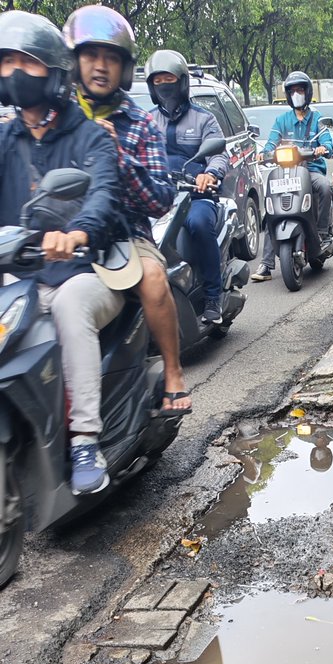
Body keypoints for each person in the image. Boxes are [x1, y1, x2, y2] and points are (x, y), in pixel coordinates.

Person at [0, 10, 122, 495]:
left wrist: (75, 233)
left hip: (88, 272)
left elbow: (102, 195)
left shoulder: (91, 136)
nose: (14, 72)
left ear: (53, 71)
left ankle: (85, 439)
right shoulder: (4, 140)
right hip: (21, 278)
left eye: (26, 62)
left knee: (70, 304)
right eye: (6, 62)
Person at [63, 7, 190, 416]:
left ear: (124, 68)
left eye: (111, 58)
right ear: (75, 62)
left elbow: (160, 199)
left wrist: (119, 155)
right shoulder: (55, 117)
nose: (100, 66)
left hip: (125, 236)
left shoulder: (139, 123)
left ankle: (173, 373)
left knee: (153, 279)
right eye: (91, 56)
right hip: (59, 234)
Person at [145, 49, 230, 324]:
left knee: (199, 225)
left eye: (168, 79)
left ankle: (213, 296)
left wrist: (210, 174)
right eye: (157, 81)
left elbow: (219, 154)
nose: (163, 85)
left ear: (181, 81)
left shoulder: (204, 118)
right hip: (160, 198)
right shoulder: (147, 121)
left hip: (196, 196)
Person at [251, 70, 333, 283]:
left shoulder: (317, 119)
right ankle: (266, 264)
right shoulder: (282, 120)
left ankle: (323, 233)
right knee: (271, 209)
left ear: (308, 92)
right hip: (285, 173)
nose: (297, 94)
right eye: (293, 91)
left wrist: (323, 148)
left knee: (325, 186)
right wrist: (264, 153)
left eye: (300, 90)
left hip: (310, 170)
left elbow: (327, 141)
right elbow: (271, 142)